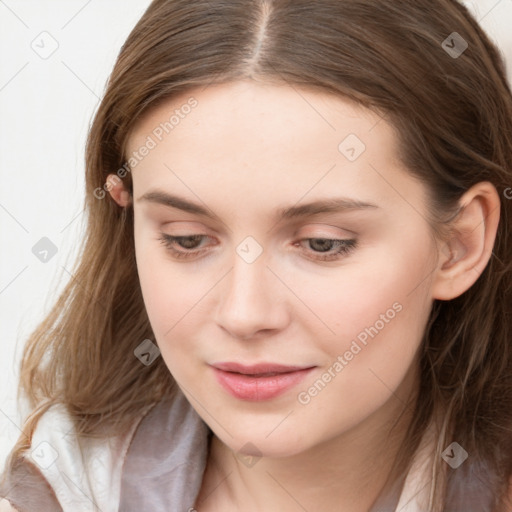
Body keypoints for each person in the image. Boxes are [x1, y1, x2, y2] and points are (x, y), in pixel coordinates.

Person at [1, 0, 512, 510]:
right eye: (186, 239)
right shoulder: (59, 487)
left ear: (459, 244)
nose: (244, 314)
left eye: (322, 244)